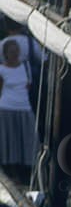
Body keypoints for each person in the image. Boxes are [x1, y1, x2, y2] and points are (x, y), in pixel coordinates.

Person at [0, 36, 38, 183]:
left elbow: (28, 85)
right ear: (5, 53)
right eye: (11, 51)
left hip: (24, 107)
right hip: (6, 108)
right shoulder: (1, 69)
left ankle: (27, 174)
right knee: (10, 143)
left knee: (28, 141)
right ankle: (11, 173)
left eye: (16, 51)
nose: (15, 53)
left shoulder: (25, 66)